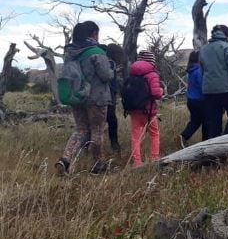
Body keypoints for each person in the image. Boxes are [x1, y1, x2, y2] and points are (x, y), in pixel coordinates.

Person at [56, 21, 113, 175]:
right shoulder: (96, 51)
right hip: (97, 98)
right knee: (97, 130)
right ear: (93, 33)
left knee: (80, 129)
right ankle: (98, 165)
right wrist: (113, 71)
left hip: (77, 97)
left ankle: (65, 159)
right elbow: (106, 75)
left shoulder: (70, 53)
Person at [199, 24, 228, 139]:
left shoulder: (203, 49)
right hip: (227, 89)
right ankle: (226, 139)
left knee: (214, 120)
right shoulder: (226, 47)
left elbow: (202, 71)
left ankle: (213, 148)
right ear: (226, 34)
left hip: (209, 90)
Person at [127, 50, 164, 167]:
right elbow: (156, 94)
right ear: (152, 61)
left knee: (135, 136)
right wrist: (162, 91)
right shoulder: (152, 74)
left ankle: (137, 161)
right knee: (154, 134)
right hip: (149, 111)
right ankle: (154, 158)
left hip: (134, 110)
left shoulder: (132, 73)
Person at [99, 43, 127, 153]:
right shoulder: (109, 63)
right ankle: (114, 145)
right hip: (108, 96)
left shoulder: (103, 61)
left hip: (103, 96)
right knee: (111, 121)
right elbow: (111, 80)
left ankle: (113, 145)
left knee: (107, 121)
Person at [179, 51, 205, 147]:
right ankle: (205, 142)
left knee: (195, 121)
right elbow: (203, 86)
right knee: (205, 121)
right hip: (199, 100)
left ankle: (184, 137)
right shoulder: (198, 71)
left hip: (191, 100)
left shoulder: (191, 70)